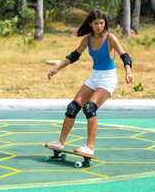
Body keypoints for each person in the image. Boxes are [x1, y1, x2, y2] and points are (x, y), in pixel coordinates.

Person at [44, 9, 133, 158]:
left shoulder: (110, 38)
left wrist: (128, 72)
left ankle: (89, 147)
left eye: (102, 23)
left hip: (108, 78)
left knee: (89, 107)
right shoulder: (87, 39)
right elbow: (74, 56)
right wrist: (57, 69)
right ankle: (60, 142)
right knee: (72, 107)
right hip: (94, 77)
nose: (99, 26)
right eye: (96, 23)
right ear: (90, 24)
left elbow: (125, 56)